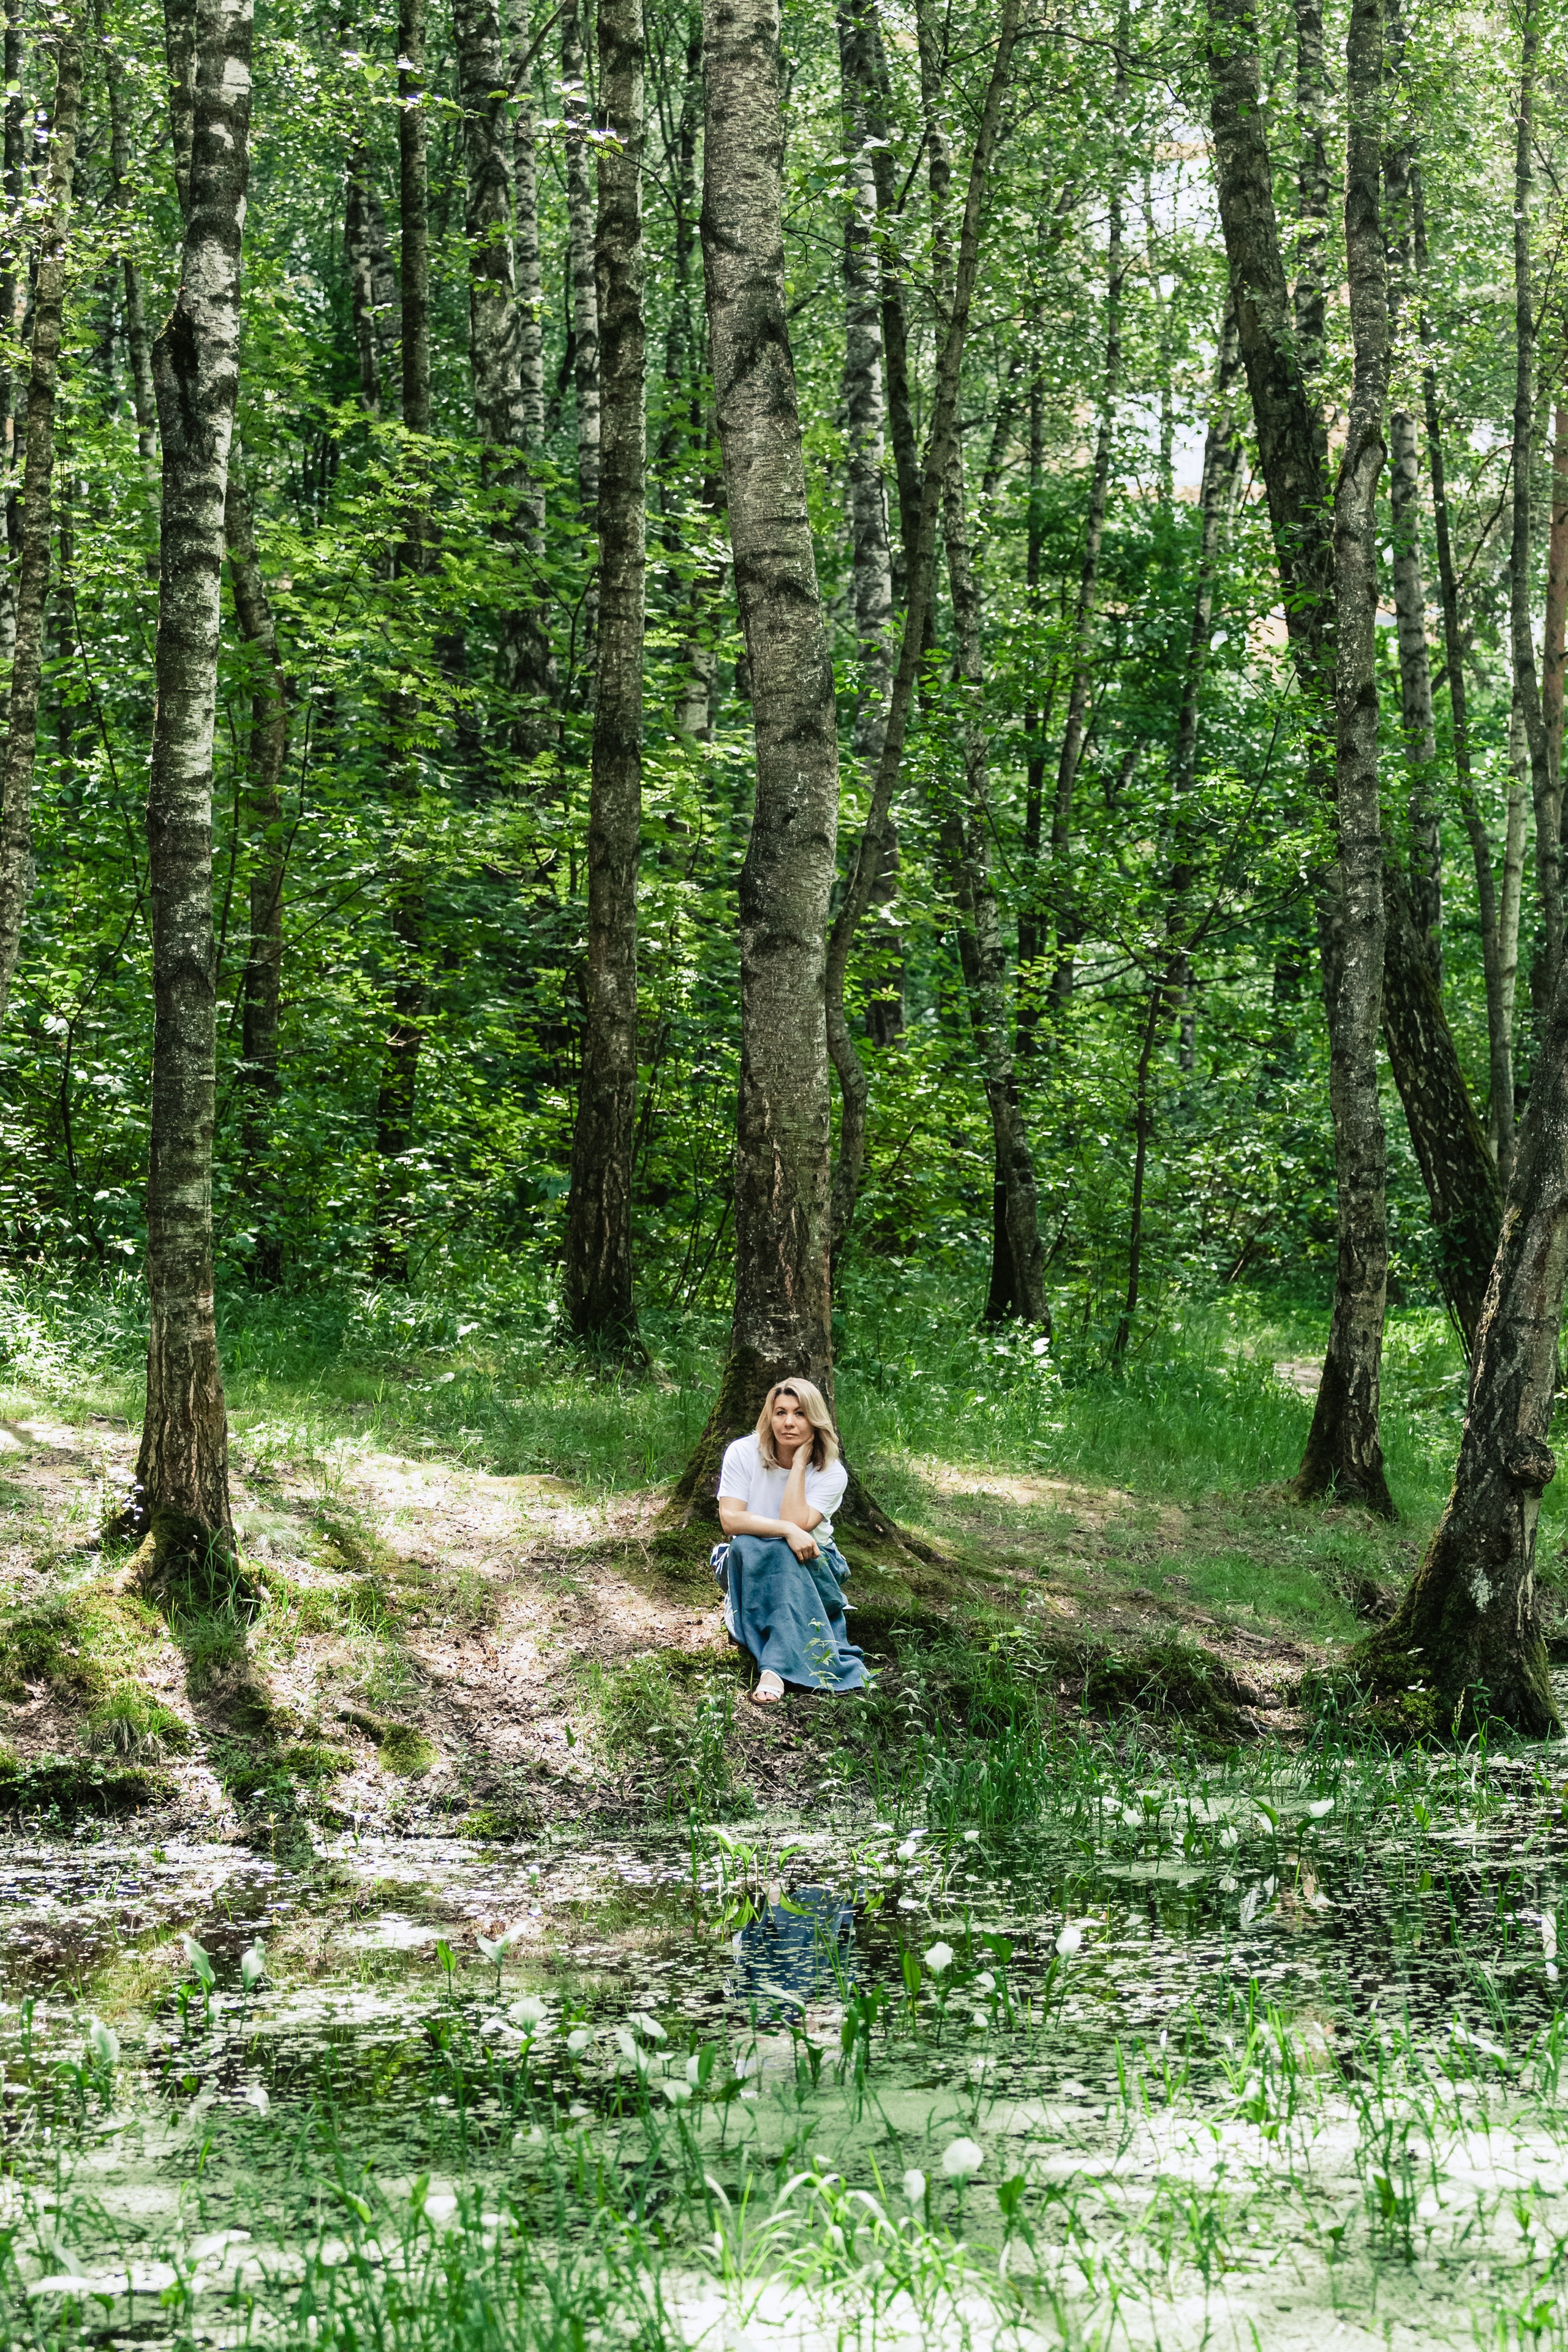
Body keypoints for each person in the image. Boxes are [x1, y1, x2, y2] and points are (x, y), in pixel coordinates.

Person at [715, 1378, 868, 1706]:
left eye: (800, 1414)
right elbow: (730, 1521)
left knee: (777, 1552)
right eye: (780, 1412)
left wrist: (799, 1465)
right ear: (769, 1417)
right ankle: (780, 1665)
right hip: (749, 1558)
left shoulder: (831, 1472)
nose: (788, 1422)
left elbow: (798, 1522)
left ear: (815, 1421)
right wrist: (786, 1531)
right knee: (746, 1545)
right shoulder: (743, 1452)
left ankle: (774, 1668)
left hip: (813, 1562)